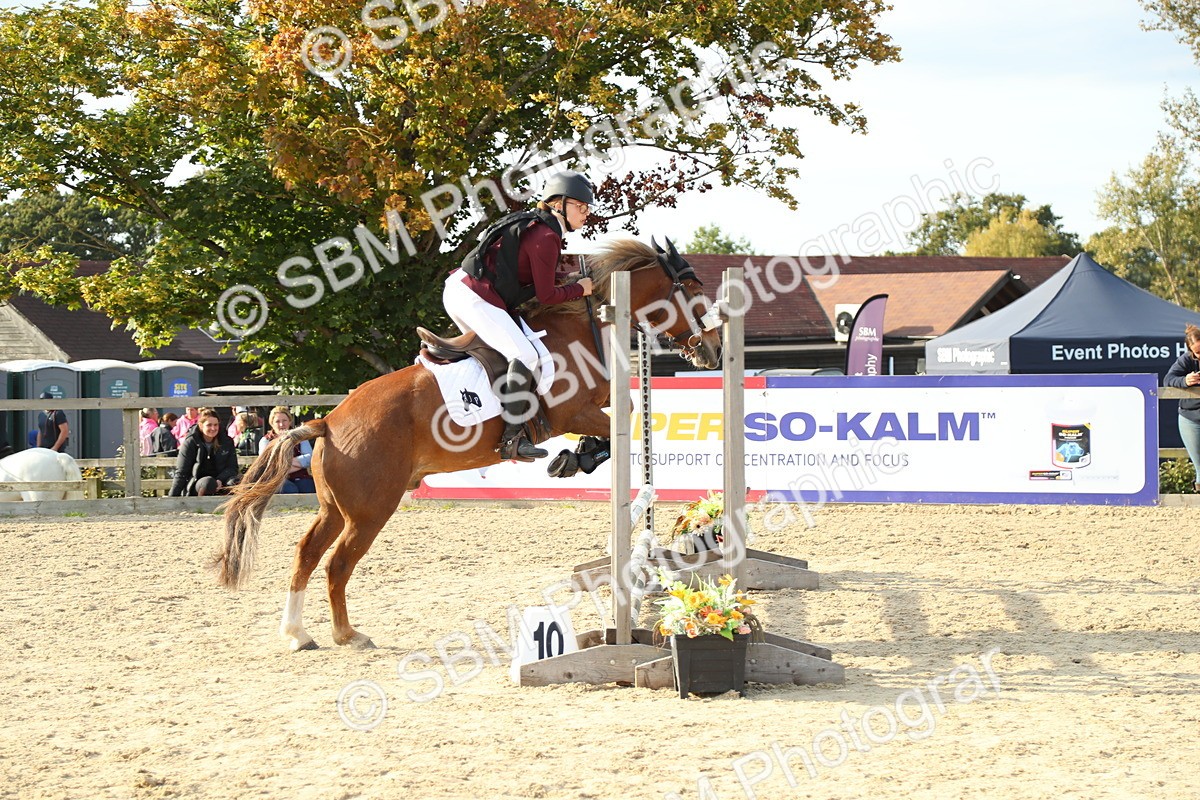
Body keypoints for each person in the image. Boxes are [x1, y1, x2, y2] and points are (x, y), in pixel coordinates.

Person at [441, 170, 595, 461]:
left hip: (466, 289)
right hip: (472, 295)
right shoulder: (546, 236)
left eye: (587, 208)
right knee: (525, 355)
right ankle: (512, 438)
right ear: (558, 204)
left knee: (505, 354)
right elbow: (546, 296)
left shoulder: (541, 229)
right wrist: (580, 289)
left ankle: (483, 414)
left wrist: (569, 281)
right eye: (581, 206)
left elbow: (537, 281)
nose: (586, 213)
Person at [168, 409, 239, 496]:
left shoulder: (226, 441)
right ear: (201, 425)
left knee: (236, 482)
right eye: (209, 425)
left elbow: (232, 467)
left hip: (221, 481)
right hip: (198, 483)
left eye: (216, 425)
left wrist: (220, 479)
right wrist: (172, 497)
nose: (213, 428)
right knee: (209, 482)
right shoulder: (191, 442)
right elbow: (182, 471)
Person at [1166, 323, 1200, 491]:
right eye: (1198, 352)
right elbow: (1168, 379)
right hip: (1190, 417)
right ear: (1191, 351)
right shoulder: (1186, 360)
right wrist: (1185, 381)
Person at [258, 406, 315, 493]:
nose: (281, 424)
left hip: (300, 476)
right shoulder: (266, 440)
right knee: (290, 489)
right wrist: (299, 463)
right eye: (277, 421)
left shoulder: (300, 437)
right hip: (276, 478)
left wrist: (285, 464)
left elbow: (309, 457)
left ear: (290, 421)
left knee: (309, 488)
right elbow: (267, 463)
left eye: (284, 420)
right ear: (272, 423)